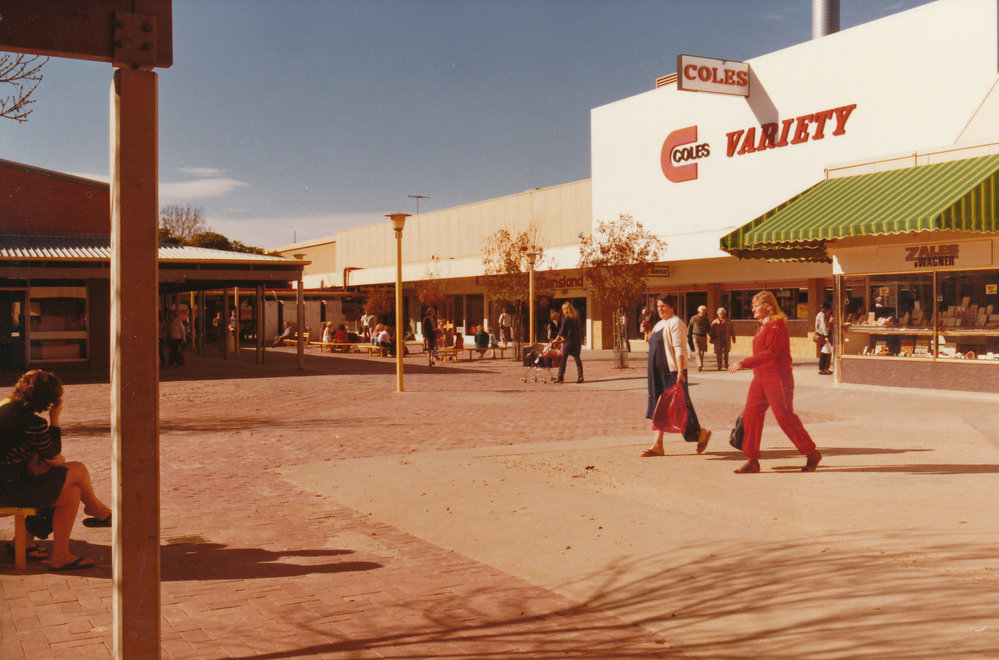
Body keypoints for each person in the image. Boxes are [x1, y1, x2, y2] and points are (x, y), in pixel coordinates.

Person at [0, 370, 113, 570]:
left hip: (8, 483)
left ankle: (61, 555)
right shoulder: (33, 423)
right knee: (76, 470)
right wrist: (55, 419)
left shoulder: (4, 408)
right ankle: (98, 510)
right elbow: (53, 452)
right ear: (48, 401)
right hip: (8, 492)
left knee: (71, 491)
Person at [728, 291, 822, 474]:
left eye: (756, 305)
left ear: (768, 307)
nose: (752, 308)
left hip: (778, 378)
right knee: (751, 415)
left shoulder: (775, 327)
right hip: (760, 378)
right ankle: (752, 460)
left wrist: (742, 363)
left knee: (784, 416)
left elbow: (769, 353)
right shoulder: (763, 326)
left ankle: (811, 453)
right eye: (753, 305)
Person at [642, 295, 712, 456]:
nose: (660, 309)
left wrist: (680, 371)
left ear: (672, 307)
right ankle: (658, 444)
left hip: (672, 371)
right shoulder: (659, 324)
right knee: (658, 407)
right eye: (659, 306)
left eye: (664, 306)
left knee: (679, 407)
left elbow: (680, 349)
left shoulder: (676, 323)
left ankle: (699, 434)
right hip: (656, 372)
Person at [553, 301, 583, 383]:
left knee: (563, 360)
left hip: (568, 342)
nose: (562, 311)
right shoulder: (576, 318)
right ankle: (580, 377)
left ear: (566, 310)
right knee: (577, 359)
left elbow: (562, 330)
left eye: (563, 309)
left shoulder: (565, 319)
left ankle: (560, 377)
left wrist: (556, 339)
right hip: (576, 341)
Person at [687, 305, 711, 372]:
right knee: (697, 351)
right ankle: (699, 365)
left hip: (703, 336)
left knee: (702, 352)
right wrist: (687, 336)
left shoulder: (706, 319)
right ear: (699, 311)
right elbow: (690, 327)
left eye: (705, 311)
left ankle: (701, 364)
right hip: (695, 336)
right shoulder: (694, 318)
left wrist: (710, 335)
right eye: (703, 311)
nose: (704, 312)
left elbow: (708, 328)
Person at [815, 302, 833, 375]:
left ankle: (825, 368)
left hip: (822, 335)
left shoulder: (820, 314)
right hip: (822, 335)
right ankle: (822, 369)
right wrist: (826, 336)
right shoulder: (822, 315)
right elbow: (823, 326)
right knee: (824, 353)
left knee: (826, 352)